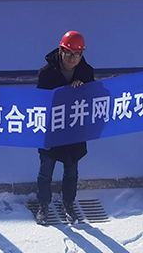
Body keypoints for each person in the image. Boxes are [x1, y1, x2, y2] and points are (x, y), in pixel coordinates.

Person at [35, 30, 95, 224]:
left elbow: (94, 99)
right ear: (61, 51)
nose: (73, 58)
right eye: (69, 53)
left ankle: (68, 203)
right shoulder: (46, 73)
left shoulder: (86, 72)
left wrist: (82, 89)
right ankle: (43, 204)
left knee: (71, 171)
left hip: (74, 130)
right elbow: (40, 103)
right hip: (51, 130)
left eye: (77, 54)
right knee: (46, 171)